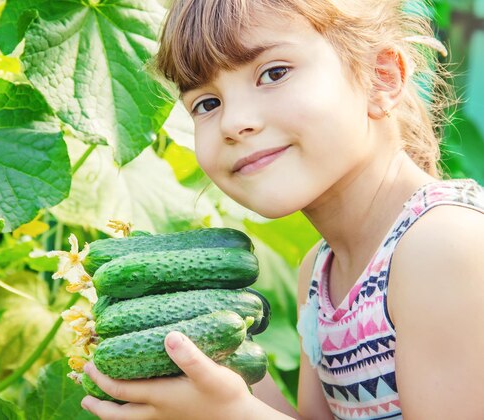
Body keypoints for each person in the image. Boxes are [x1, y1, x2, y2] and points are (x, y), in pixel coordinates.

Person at [80, 0, 484, 418]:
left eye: (273, 73)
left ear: (381, 78)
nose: (234, 122)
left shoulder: (444, 245)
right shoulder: (320, 270)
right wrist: (220, 377)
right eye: (206, 103)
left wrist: (235, 415)